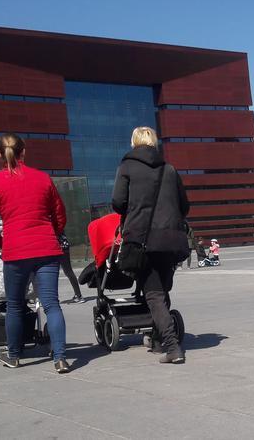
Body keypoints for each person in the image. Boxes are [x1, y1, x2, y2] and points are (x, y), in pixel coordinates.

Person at [0, 133, 70, 373]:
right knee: (52, 304)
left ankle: (14, 354)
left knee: (15, 305)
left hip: (16, 252)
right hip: (47, 249)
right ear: (24, 151)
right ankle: (60, 358)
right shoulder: (43, 178)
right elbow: (60, 215)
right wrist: (53, 232)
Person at [112, 126, 189, 364]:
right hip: (170, 239)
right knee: (162, 291)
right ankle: (157, 341)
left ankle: (172, 346)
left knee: (154, 294)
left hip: (143, 239)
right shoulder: (170, 168)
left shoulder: (127, 167)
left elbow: (117, 202)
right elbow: (184, 206)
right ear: (154, 143)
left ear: (134, 143)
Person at [59, 233, 84, 303]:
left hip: (58, 245)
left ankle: (79, 296)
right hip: (62, 244)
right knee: (68, 271)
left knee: (67, 271)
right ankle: (78, 295)